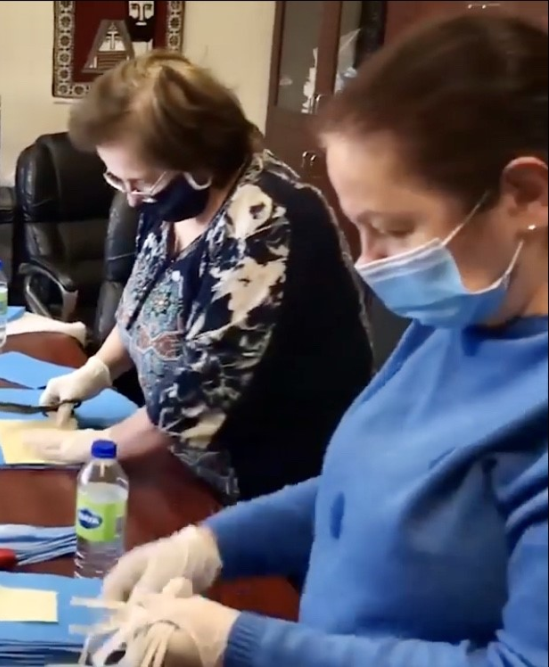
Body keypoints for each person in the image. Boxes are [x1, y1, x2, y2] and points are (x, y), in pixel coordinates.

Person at [92, 13, 549, 667]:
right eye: (358, 228)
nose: (367, 263)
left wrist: (236, 641)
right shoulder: (459, 322)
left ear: (525, 195)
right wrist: (209, 543)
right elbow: (354, 489)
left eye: (394, 227)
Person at [23, 51, 372, 502]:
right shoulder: (170, 199)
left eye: (140, 182)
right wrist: (98, 369)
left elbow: (201, 394)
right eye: (117, 180)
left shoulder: (267, 222)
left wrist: (88, 446)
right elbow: (143, 304)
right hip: (182, 463)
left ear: (200, 162)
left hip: (270, 485)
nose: (130, 200)